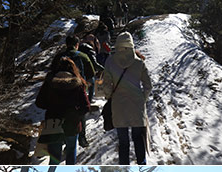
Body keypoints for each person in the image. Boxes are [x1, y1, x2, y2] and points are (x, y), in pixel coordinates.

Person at [101, 32, 151, 164]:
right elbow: (148, 85)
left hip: (118, 106)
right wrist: (143, 99)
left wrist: (110, 96)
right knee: (138, 139)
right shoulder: (139, 62)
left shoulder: (110, 61)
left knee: (123, 142)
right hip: (136, 106)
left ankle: (124, 168)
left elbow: (106, 85)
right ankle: (142, 165)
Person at [35, 57, 90, 164]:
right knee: (71, 151)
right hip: (72, 124)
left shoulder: (50, 82)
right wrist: (75, 115)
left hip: (53, 123)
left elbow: (39, 103)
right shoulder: (78, 83)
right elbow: (86, 106)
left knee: (54, 156)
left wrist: (51, 106)